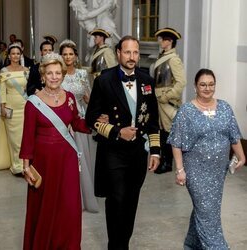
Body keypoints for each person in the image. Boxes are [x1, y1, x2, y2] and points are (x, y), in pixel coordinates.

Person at [85, 35, 160, 250]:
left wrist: (154, 151)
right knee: (116, 199)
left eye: (135, 52)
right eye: (127, 52)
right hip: (113, 152)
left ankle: (123, 244)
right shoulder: (104, 80)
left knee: (131, 201)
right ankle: (115, 246)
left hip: (137, 152)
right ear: (118, 53)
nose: (132, 57)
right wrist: (118, 132)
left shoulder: (147, 80)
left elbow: (153, 120)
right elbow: (91, 118)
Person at [167, 68, 246, 249]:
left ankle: (191, 245)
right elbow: (176, 142)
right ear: (195, 86)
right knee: (208, 214)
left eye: (211, 84)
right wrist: (180, 170)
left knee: (206, 210)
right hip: (195, 171)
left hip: (219, 171)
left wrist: (241, 156)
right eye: (203, 84)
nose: (207, 88)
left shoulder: (225, 107)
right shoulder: (186, 111)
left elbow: (233, 135)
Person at [19, 52, 91, 250]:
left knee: (68, 207)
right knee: (45, 207)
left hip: (67, 159)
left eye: (58, 73)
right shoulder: (33, 103)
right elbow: (27, 137)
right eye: (50, 73)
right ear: (43, 75)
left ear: (63, 74)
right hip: (43, 162)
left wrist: (93, 124)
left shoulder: (68, 98)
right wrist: (26, 165)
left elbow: (76, 123)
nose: (54, 77)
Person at [59, 39, 99, 213]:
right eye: (65, 54)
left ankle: (83, 196)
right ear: (61, 56)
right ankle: (66, 196)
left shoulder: (82, 74)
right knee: (65, 161)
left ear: (76, 56)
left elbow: (88, 98)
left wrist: (96, 116)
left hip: (79, 121)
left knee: (81, 159)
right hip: (61, 123)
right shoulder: (57, 74)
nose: (68, 57)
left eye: (70, 54)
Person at [153, 27, 186, 174]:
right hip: (159, 100)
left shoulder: (173, 59)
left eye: (164, 39)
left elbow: (181, 82)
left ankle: (168, 163)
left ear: (170, 41)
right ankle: (164, 160)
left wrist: (166, 97)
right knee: (162, 131)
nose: (161, 41)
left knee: (168, 132)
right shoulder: (163, 56)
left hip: (167, 101)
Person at [0, 43, 29, 173]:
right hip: (11, 108)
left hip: (25, 106)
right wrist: (3, 107)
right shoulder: (4, 71)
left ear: (20, 54)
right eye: (13, 54)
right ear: (9, 56)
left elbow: (30, 89)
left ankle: (24, 165)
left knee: (24, 137)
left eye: (17, 53)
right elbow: (2, 91)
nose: (15, 56)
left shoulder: (26, 70)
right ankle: (17, 166)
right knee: (15, 139)